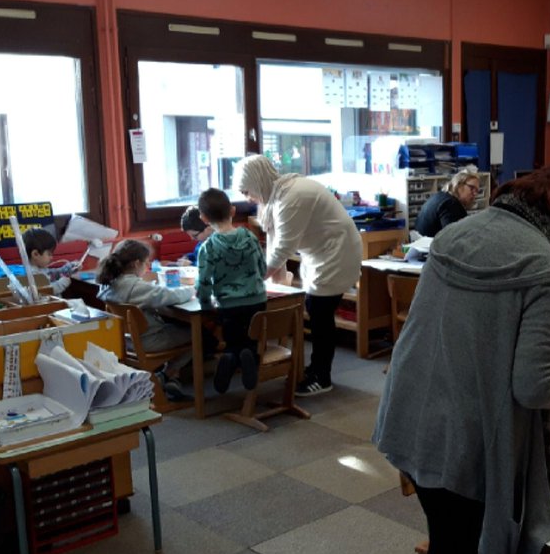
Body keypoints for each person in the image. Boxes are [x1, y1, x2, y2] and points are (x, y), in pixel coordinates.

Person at [373, 161, 550, 554]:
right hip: (472, 442)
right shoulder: (547, 267)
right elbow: (532, 385)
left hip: (408, 418)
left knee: (446, 540)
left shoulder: (453, 234)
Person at [232, 154, 362, 397]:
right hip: (319, 253)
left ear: (258, 181)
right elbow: (275, 244)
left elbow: (282, 249)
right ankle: (316, 370)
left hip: (336, 252)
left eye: (247, 191)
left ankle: (321, 377)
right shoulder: (279, 194)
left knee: (320, 313)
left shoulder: (291, 197)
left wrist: (254, 279)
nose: (248, 198)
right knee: (317, 310)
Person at [97, 239, 197, 399]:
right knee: (197, 334)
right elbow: (170, 295)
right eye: (146, 262)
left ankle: (171, 378)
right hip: (148, 341)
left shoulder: (109, 282)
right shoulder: (135, 287)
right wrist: (192, 289)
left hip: (126, 341)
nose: (147, 266)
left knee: (177, 327)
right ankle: (167, 374)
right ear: (137, 264)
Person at [195, 187, 268, 394]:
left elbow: (203, 283)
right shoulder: (250, 237)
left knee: (233, 341)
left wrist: (206, 306)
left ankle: (230, 357)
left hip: (229, 305)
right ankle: (248, 356)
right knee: (251, 341)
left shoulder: (208, 247)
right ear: (233, 211)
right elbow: (262, 268)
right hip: (257, 301)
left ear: (203, 218)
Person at [414, 166, 481, 237]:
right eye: (472, 188)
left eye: (477, 191)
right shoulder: (451, 204)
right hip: (429, 246)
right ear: (459, 185)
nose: (475, 194)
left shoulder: (442, 196)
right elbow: (453, 238)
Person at [23, 228, 80, 296]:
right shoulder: (32, 275)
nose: (51, 258)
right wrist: (64, 281)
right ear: (35, 254)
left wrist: (69, 268)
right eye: (49, 254)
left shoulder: (40, 268)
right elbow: (47, 290)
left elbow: (53, 274)